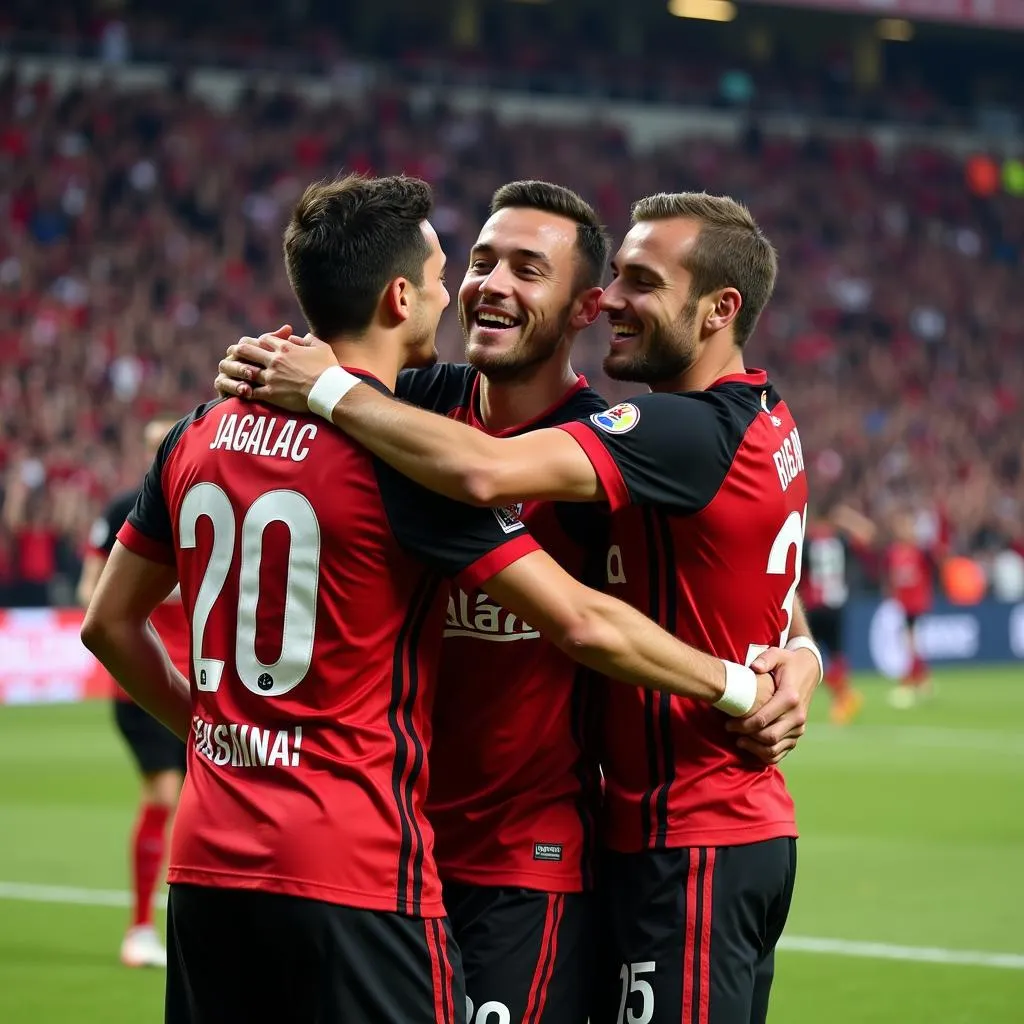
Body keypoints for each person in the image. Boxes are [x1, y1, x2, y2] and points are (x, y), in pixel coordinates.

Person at [81, 175, 778, 1024]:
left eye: (528, 269)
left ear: (583, 306)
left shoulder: (600, 456)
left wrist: (796, 660)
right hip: (381, 850)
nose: (485, 284)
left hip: (515, 864)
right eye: (479, 260)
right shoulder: (391, 422)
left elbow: (722, 562)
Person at [78, 415, 189, 969]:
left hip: (207, 679)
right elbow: (89, 590)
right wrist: (152, 589)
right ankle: (141, 927)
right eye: (150, 446)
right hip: (144, 682)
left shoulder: (206, 495)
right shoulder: (126, 508)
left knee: (207, 806)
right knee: (164, 798)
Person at [801, 503, 875, 725]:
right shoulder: (840, 540)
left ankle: (843, 698)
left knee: (807, 654)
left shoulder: (808, 541)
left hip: (813, 605)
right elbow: (868, 534)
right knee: (836, 656)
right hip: (835, 604)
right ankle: (844, 698)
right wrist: (848, 518)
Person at [885, 509, 934, 708]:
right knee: (910, 643)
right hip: (902, 603)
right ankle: (922, 681)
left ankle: (911, 681)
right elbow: (891, 578)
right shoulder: (894, 552)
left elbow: (927, 575)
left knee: (910, 642)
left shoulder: (919, 553)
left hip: (916, 603)